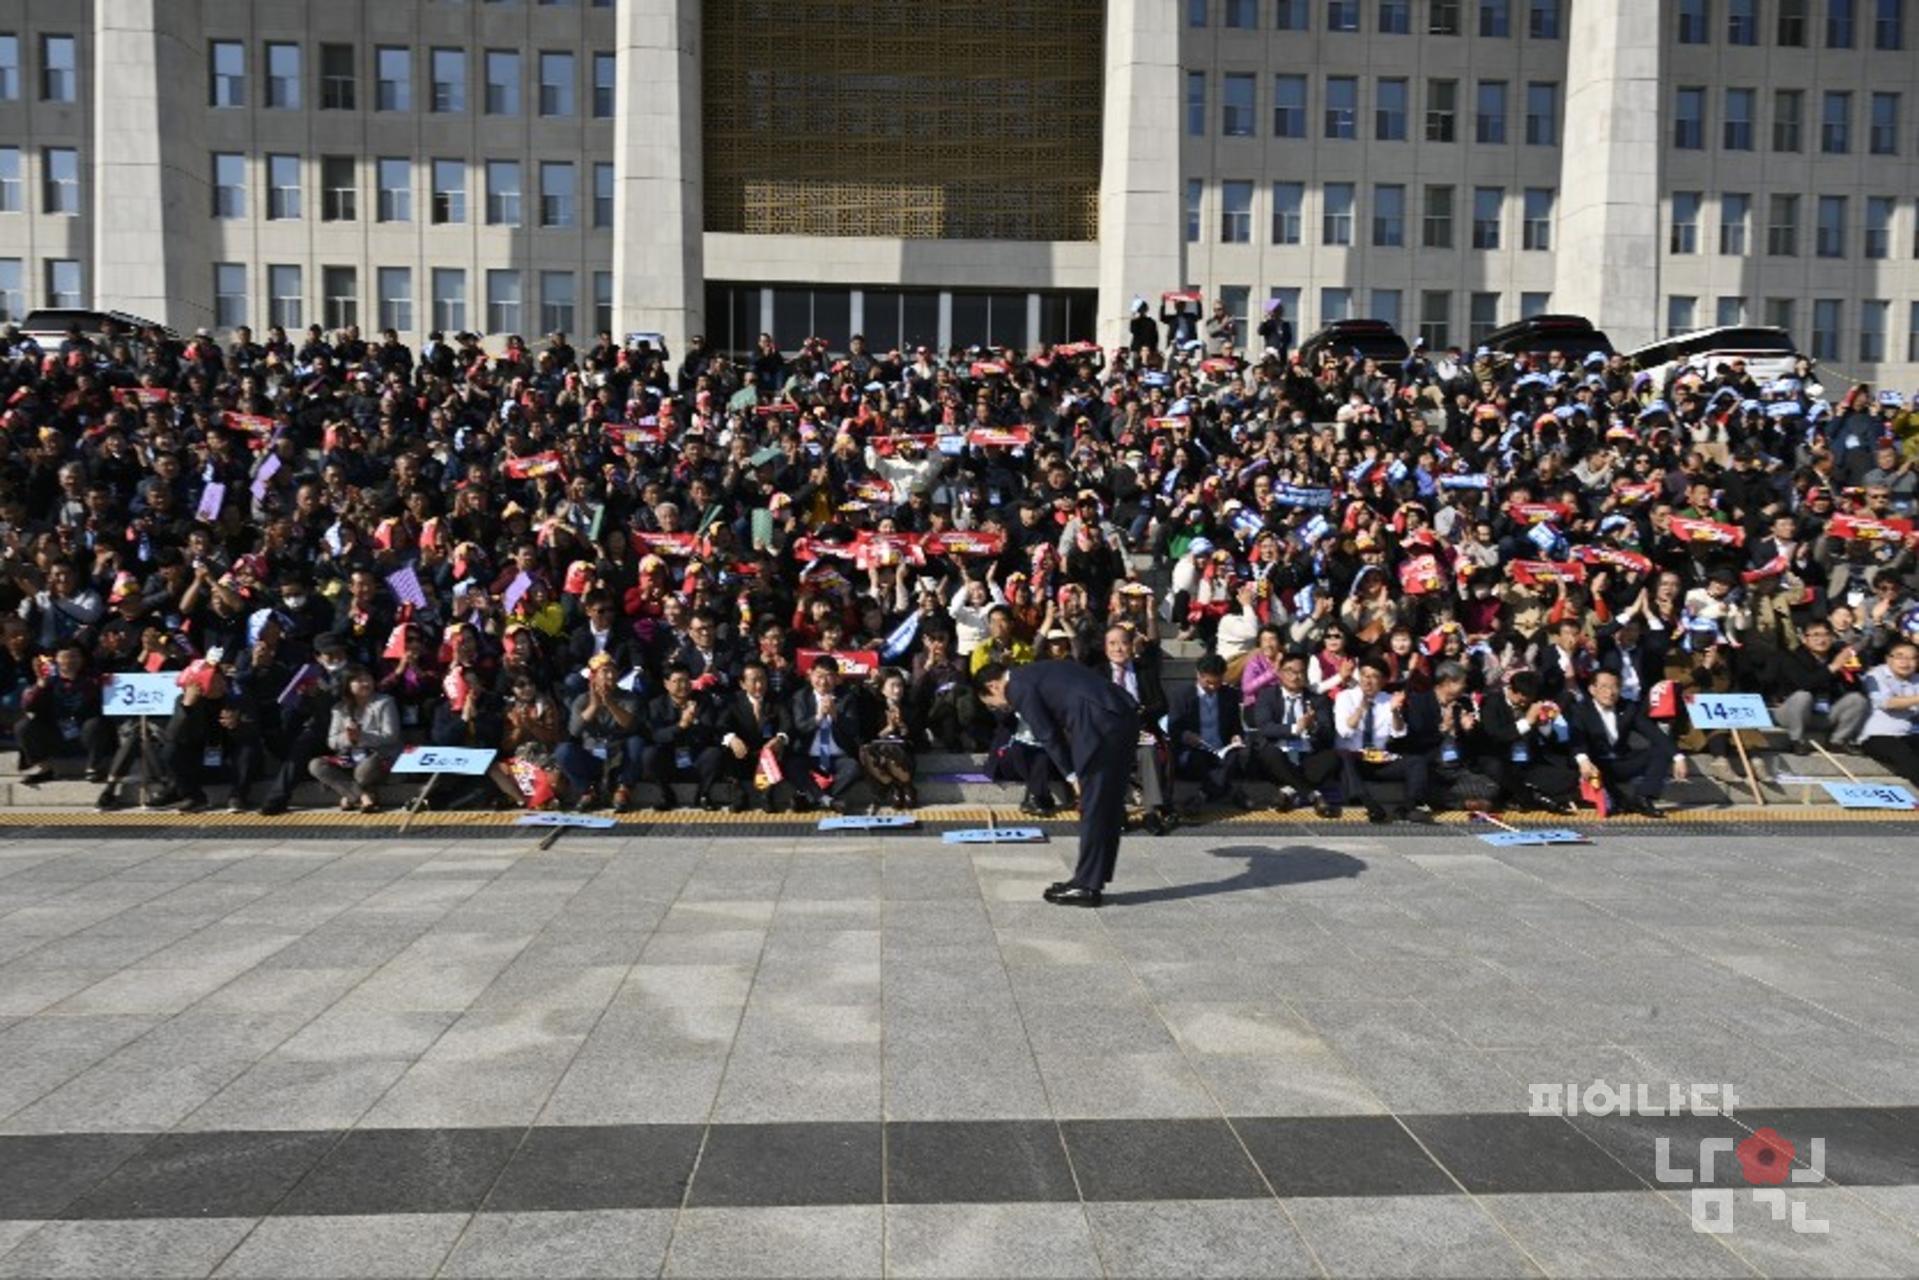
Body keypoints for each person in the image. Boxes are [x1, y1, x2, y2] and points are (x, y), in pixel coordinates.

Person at [976, 659, 1139, 907]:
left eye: (992, 705)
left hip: (1097, 724)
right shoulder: (1036, 671)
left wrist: (1072, 775)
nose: (1000, 708)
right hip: (1122, 714)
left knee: (1092, 805)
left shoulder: (1016, 686)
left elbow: (1046, 733)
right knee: (1109, 804)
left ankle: (1086, 886)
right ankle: (1096, 875)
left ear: (993, 686)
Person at [1332, 657, 1431, 823]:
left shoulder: (1387, 699)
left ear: (1384, 680)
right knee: (1344, 755)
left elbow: (1399, 732)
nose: (1367, 681)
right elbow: (1344, 732)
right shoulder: (1345, 697)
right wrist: (1361, 709)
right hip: (1353, 758)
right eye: (1364, 675)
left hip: (1379, 758)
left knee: (1416, 761)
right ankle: (1369, 804)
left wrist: (1395, 712)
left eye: (1374, 677)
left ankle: (1409, 807)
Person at [1563, 669, 1675, 816]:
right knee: (1615, 808)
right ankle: (1619, 799)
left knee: (1661, 750)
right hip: (1596, 766)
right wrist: (1583, 760)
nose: (1610, 692)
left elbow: (1653, 733)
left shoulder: (1628, 707)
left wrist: (1677, 756)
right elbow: (1577, 740)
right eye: (1604, 687)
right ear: (1592, 689)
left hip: (1622, 760)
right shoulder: (1580, 710)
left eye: (1614, 687)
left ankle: (1643, 797)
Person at [1247, 651, 1341, 817]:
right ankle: (1314, 795)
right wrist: (1295, 729)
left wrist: (1313, 727)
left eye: (1300, 672)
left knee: (1332, 757)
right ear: (1280, 673)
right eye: (1290, 671)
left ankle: (1288, 790)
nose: (1295, 676)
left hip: (1306, 756)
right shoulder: (1267, 695)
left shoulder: (1317, 699)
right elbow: (1265, 727)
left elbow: (1327, 732)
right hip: (1278, 753)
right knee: (1268, 752)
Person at [1473, 670, 1579, 813]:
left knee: (1567, 774)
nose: (1524, 702)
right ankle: (1530, 797)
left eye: (1528, 699)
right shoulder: (1492, 702)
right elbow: (1495, 735)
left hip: (1528, 760)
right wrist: (1527, 721)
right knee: (1497, 770)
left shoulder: (1534, 702)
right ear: (1510, 689)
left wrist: (1544, 725)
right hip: (1501, 758)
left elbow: (1550, 739)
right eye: (1521, 698)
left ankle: (1529, 795)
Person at [308, 664, 401, 813]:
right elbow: (332, 741)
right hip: (349, 758)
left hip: (377, 755)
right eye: (359, 680)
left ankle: (349, 796)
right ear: (347, 685)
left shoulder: (384, 702)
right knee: (316, 765)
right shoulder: (339, 709)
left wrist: (361, 737)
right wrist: (349, 738)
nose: (366, 683)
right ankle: (364, 796)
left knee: (363, 772)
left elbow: (391, 736)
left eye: (368, 679)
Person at [1166, 653, 1251, 809]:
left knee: (1236, 756)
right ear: (1198, 674)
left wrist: (1236, 737)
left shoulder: (1229, 695)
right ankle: (1228, 791)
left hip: (1221, 748)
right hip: (1195, 749)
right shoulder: (1181, 695)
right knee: (1200, 761)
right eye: (1208, 682)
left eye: (1217, 683)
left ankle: (1203, 795)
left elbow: (1236, 726)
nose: (1212, 687)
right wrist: (1187, 736)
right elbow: (1173, 728)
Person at [641, 662, 725, 810]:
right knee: (649, 754)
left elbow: (709, 732)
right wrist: (681, 725)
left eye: (686, 680)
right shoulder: (656, 705)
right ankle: (665, 794)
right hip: (669, 758)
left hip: (695, 756)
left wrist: (694, 722)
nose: (683, 685)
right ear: (666, 684)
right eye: (677, 681)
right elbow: (656, 735)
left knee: (714, 753)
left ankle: (703, 795)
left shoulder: (702, 701)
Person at [791, 656, 865, 812]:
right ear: (810, 675)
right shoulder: (801, 697)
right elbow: (800, 727)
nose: (823, 682)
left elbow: (853, 730)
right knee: (792, 765)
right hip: (810, 756)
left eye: (829, 676)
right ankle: (829, 801)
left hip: (837, 756)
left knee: (853, 768)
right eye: (819, 676)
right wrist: (817, 717)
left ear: (837, 678)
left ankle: (815, 798)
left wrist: (835, 715)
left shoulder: (847, 698)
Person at [859, 667, 920, 810]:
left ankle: (901, 786)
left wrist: (902, 726)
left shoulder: (911, 707)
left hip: (904, 753)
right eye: (892, 686)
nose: (897, 690)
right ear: (882, 689)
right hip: (878, 750)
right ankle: (900, 787)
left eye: (900, 685)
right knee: (867, 751)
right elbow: (868, 736)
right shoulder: (873, 708)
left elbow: (917, 737)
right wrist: (889, 729)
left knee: (889, 750)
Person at [1858, 641, 1919, 784]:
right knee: (1905, 755)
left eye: (1912, 658)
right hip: (1876, 736)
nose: (1906, 662)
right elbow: (1887, 703)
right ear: (1888, 659)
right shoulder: (1875, 675)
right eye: (1900, 657)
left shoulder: (1916, 679)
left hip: (1906, 734)